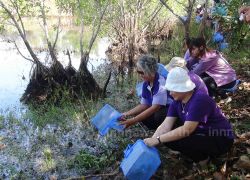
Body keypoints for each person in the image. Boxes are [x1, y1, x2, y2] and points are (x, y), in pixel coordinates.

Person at [144, 67, 234, 165]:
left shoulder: (199, 100)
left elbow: (187, 130)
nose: (170, 93)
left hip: (221, 137)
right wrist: (153, 139)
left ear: (182, 88)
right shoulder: (177, 102)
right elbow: (166, 125)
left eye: (173, 89)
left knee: (182, 140)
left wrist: (158, 140)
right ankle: (196, 153)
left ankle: (203, 159)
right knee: (167, 137)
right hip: (202, 132)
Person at [120, 55, 170, 130]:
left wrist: (133, 121)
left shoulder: (160, 84)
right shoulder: (146, 83)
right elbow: (144, 105)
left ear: (151, 72)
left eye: (141, 72)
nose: (140, 75)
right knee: (139, 113)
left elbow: (155, 108)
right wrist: (126, 113)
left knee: (159, 115)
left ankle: (165, 129)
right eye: (138, 72)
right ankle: (155, 128)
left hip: (168, 109)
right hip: (157, 108)